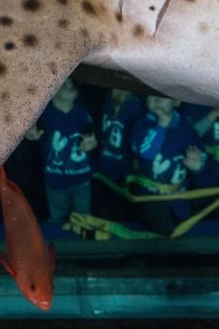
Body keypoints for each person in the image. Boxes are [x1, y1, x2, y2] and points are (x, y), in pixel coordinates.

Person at [129, 95, 203, 235]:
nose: (157, 100)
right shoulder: (140, 124)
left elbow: (199, 149)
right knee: (165, 231)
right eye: (151, 95)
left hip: (179, 192)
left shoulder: (184, 125)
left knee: (184, 226)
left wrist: (197, 165)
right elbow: (146, 154)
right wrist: (162, 126)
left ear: (176, 101)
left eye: (163, 96)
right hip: (151, 194)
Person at [26, 79, 97, 224]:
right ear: (52, 92)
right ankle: (57, 245)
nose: (70, 86)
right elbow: (31, 130)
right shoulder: (44, 113)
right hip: (55, 180)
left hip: (82, 178)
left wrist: (92, 144)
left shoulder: (82, 111)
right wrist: (30, 134)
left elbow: (91, 136)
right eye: (64, 84)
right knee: (58, 217)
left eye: (72, 84)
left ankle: (84, 246)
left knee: (84, 218)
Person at [92, 88, 144, 220]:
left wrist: (135, 162)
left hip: (124, 164)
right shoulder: (106, 99)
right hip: (104, 161)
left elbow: (138, 137)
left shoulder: (134, 105)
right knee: (105, 200)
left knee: (121, 204)